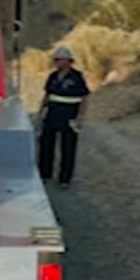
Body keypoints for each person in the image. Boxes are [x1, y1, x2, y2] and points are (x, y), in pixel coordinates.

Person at [37, 45, 91, 189]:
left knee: (68, 148)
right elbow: (47, 95)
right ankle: (44, 174)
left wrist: (80, 117)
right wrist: (41, 111)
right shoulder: (53, 76)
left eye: (60, 60)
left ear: (68, 61)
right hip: (52, 114)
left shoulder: (77, 77)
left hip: (69, 116)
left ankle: (64, 179)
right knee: (46, 145)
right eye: (56, 60)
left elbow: (84, 97)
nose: (57, 62)